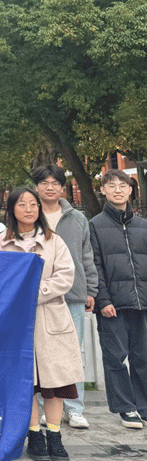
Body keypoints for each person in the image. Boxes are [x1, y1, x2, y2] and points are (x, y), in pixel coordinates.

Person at [1, 187, 83, 461]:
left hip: (51, 318)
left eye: (33, 204)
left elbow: (65, 277)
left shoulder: (54, 241)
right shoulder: (2, 244)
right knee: (27, 382)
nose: (29, 209)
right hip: (17, 322)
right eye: (22, 204)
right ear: (12, 209)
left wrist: (33, 292)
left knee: (55, 382)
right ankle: (34, 434)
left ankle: (55, 435)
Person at [32, 165, 98, 429]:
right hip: (40, 297)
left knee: (73, 352)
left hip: (73, 294)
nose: (50, 187)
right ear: (36, 187)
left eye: (55, 183)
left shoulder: (77, 218)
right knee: (42, 353)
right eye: (44, 183)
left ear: (62, 187)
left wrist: (91, 289)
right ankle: (44, 408)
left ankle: (75, 408)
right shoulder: (30, 215)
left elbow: (87, 255)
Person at [89, 169, 147, 428]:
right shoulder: (95, 225)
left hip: (141, 302)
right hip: (112, 304)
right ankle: (125, 407)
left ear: (131, 190)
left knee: (142, 356)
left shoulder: (143, 226)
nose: (118, 190)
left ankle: (143, 405)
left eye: (123, 185)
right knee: (115, 357)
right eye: (111, 185)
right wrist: (103, 300)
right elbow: (95, 265)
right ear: (103, 190)